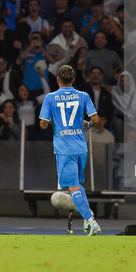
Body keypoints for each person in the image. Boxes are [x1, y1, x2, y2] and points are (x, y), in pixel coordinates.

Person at [39, 65, 101, 236]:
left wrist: (54, 122)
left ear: (58, 80)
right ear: (73, 80)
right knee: (77, 185)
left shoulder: (50, 98)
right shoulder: (83, 95)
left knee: (72, 187)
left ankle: (91, 221)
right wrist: (87, 125)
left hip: (64, 149)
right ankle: (88, 220)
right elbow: (95, 119)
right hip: (81, 148)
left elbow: (43, 124)